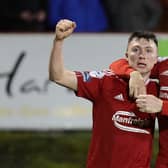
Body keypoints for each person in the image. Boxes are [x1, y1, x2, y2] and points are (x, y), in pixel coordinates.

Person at [49, 19, 163, 168]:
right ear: (126, 55)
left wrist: (161, 105)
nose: (142, 55)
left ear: (156, 59)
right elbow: (58, 76)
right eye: (136, 49)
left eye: (148, 50)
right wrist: (58, 41)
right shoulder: (104, 81)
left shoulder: (160, 89)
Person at [109, 56, 168, 167]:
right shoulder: (163, 64)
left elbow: (162, 106)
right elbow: (117, 64)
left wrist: (162, 106)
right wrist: (133, 74)